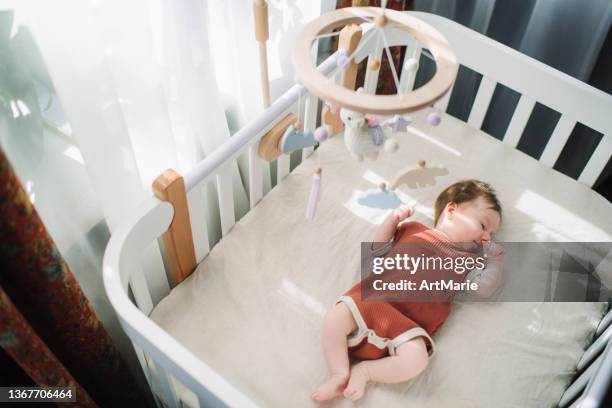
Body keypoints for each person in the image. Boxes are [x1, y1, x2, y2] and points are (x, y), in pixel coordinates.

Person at [311, 179, 504, 402]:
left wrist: (496, 264)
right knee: (336, 315)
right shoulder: (413, 230)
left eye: (492, 234)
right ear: (452, 210)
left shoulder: (469, 262)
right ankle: (339, 373)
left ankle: (364, 371)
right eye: (483, 226)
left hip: (407, 328)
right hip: (372, 303)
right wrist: (393, 220)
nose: (487, 237)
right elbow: (377, 247)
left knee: (418, 360)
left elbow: (484, 289)